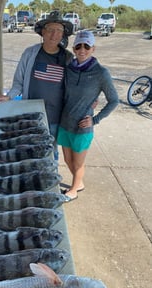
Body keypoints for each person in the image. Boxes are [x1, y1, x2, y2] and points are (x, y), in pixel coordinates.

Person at [0, 11, 73, 160]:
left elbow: (76, 87)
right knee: (29, 152)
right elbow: (18, 82)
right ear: (43, 32)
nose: (54, 34)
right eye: (50, 30)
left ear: (63, 34)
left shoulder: (68, 58)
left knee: (51, 153)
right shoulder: (30, 53)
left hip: (56, 117)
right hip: (31, 115)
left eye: (59, 31)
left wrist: (89, 101)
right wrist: (9, 96)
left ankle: (49, 181)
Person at [57, 30, 119, 202]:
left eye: (86, 46)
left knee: (78, 164)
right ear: (74, 48)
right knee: (68, 160)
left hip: (82, 127)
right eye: (78, 46)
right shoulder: (69, 69)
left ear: (93, 48)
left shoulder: (101, 73)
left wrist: (95, 119)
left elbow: (114, 101)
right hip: (65, 123)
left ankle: (74, 190)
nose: (82, 50)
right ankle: (79, 183)